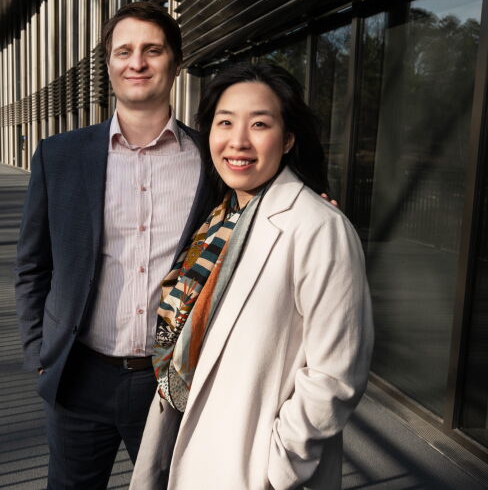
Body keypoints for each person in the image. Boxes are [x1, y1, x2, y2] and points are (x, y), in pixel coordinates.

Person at [130, 62, 374, 490]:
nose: (238, 140)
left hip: (249, 463)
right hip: (190, 431)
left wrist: (278, 468)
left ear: (288, 138)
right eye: (225, 122)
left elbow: (336, 373)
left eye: (259, 124)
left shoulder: (318, 227)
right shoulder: (220, 218)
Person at [15, 2, 216, 489]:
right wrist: (39, 351)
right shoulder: (59, 156)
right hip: (80, 373)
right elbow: (32, 266)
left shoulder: (213, 161)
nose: (137, 62)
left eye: (152, 50)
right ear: (108, 65)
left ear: (175, 62)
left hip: (172, 381)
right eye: (123, 51)